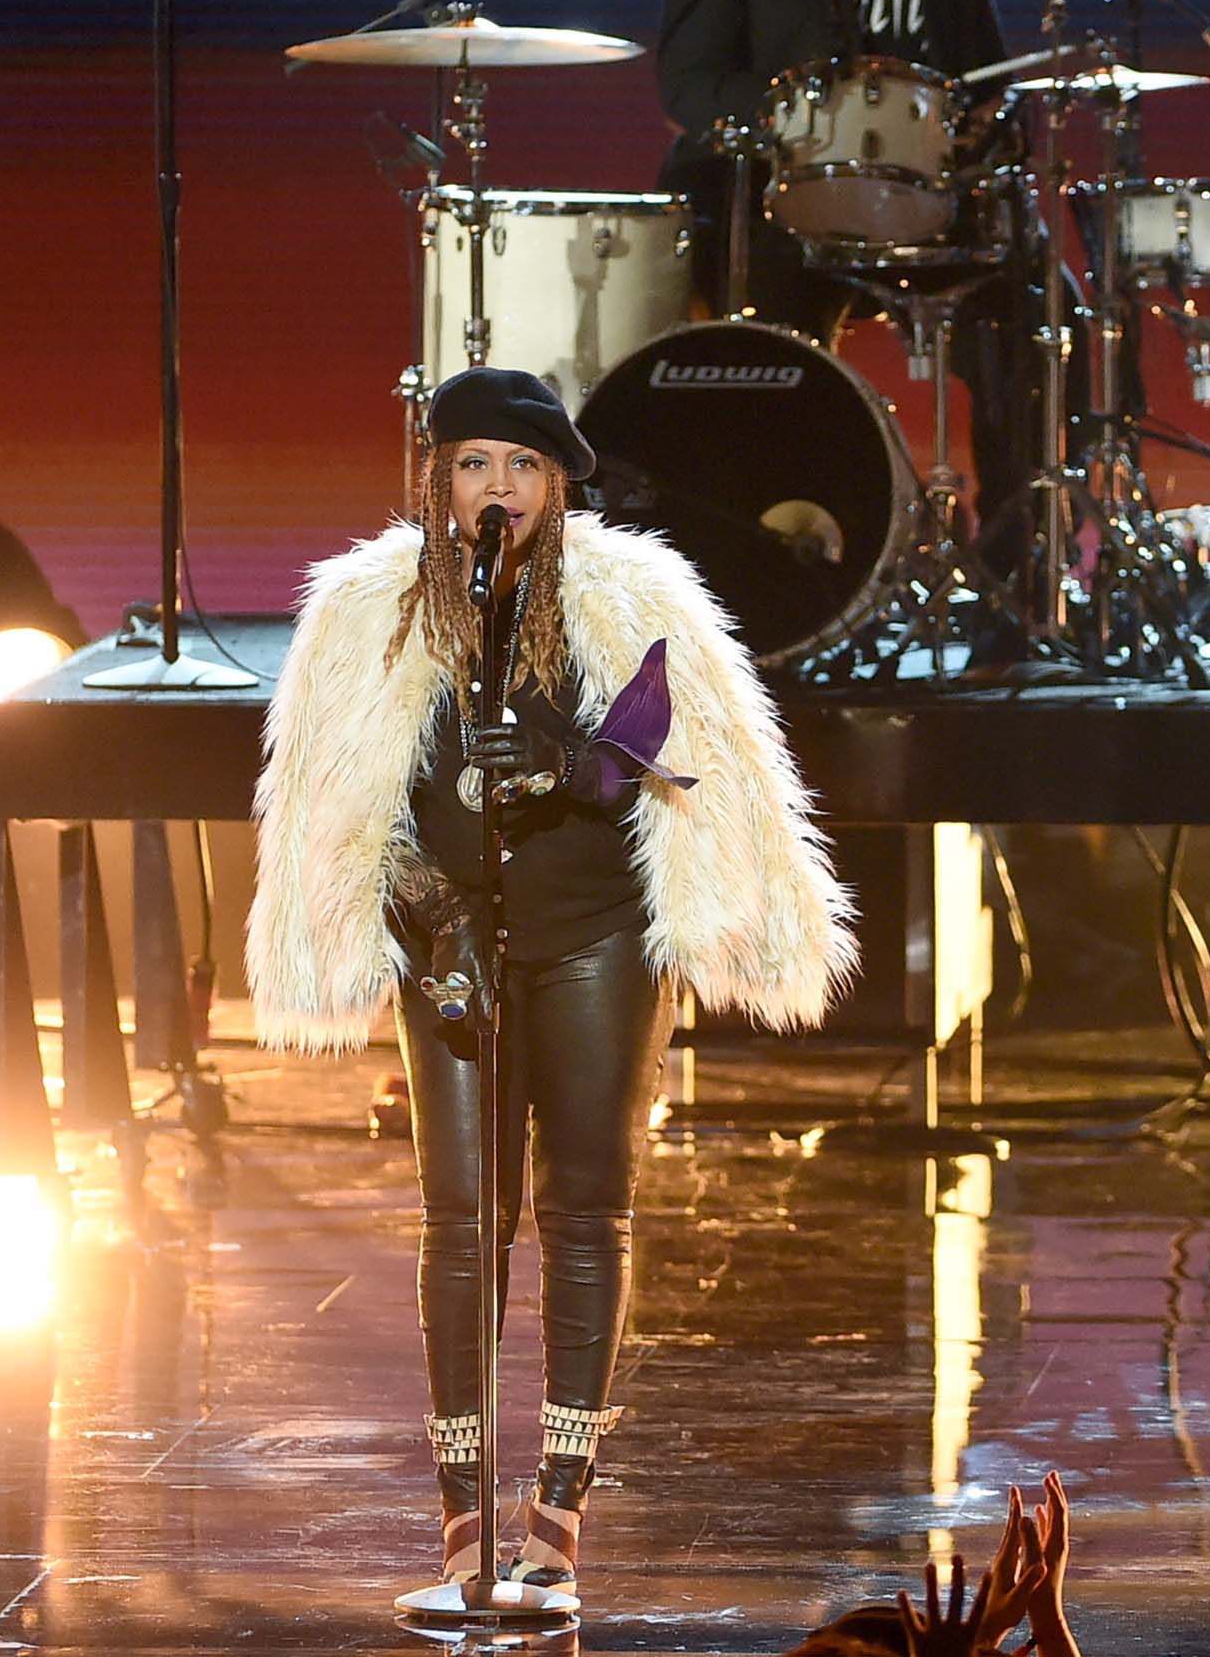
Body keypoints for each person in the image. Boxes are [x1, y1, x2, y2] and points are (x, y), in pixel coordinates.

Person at [244, 366, 854, 1596]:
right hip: (451, 945)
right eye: (476, 463)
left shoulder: (631, 595)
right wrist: (416, 907)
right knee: (461, 1220)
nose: (499, 489)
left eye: (524, 468)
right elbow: (334, 806)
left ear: (560, 486)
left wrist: (584, 762)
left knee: (586, 1212)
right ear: (438, 479)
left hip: (595, 938)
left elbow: (695, 762)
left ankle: (558, 1522)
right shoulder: (368, 610)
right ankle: (463, 1527)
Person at [655, 0, 1042, 587]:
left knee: (1039, 305)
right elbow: (691, 88)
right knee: (772, 323)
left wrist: (989, 126)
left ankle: (1014, 568)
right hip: (775, 212)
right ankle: (799, 561)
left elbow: (993, 91)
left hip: (925, 213)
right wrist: (806, 118)